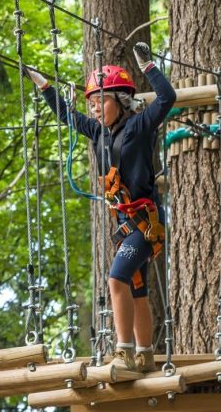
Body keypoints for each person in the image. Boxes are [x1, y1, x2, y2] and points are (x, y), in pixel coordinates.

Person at [26, 42, 176, 372]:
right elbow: (67, 114)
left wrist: (148, 66)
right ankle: (145, 354)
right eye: (91, 103)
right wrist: (44, 86)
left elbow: (167, 99)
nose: (94, 109)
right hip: (124, 223)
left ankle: (123, 351)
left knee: (116, 279)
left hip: (144, 221)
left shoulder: (139, 126)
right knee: (137, 289)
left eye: (100, 101)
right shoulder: (97, 132)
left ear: (120, 101)